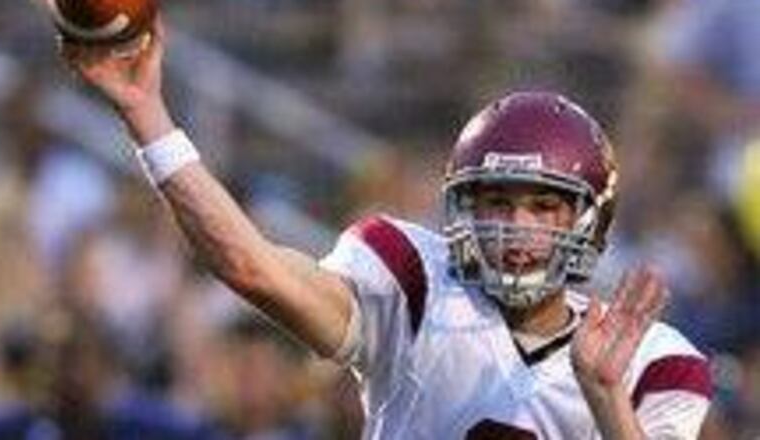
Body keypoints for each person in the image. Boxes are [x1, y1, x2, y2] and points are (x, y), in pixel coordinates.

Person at [61, 19, 713, 440]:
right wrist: (147, 116)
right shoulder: (414, 284)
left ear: (590, 219)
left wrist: (606, 399)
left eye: (544, 207)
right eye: (497, 203)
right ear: (463, 210)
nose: (518, 226)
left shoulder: (653, 361)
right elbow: (250, 268)